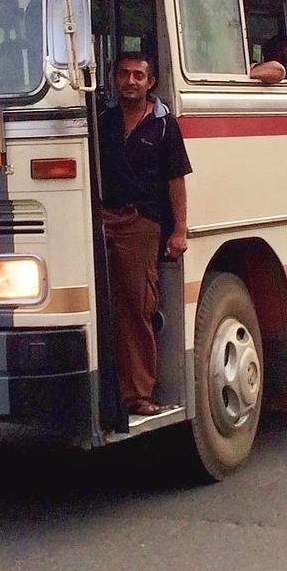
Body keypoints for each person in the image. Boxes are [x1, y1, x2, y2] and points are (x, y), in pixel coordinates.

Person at [98, 53, 191, 416]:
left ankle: (137, 396)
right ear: (114, 79)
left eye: (138, 75)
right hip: (103, 220)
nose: (131, 81)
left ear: (150, 82)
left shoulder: (164, 125)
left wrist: (179, 231)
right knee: (103, 307)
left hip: (141, 223)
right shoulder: (103, 122)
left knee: (137, 309)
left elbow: (176, 181)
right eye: (124, 75)